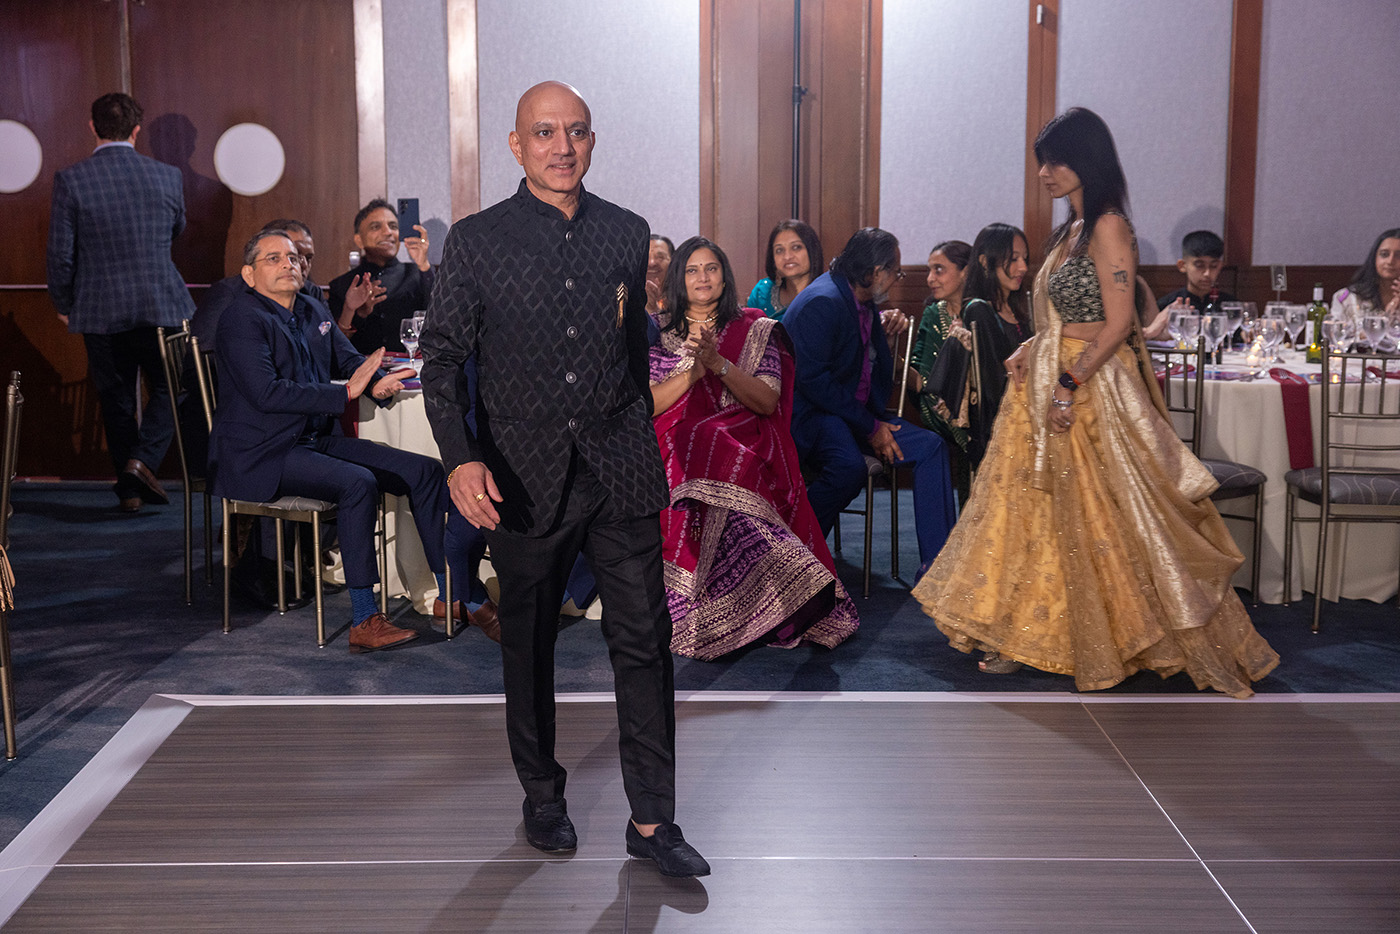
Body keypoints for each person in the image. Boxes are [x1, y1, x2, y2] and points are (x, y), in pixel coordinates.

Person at [419, 80, 709, 878]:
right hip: (521, 476)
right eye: (544, 133)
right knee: (530, 646)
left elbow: (627, 353)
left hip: (620, 470)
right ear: (517, 145)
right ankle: (542, 794)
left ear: (592, 140)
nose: (562, 147)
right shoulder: (476, 241)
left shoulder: (628, 232)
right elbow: (440, 362)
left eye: (576, 131)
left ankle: (652, 821)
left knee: (644, 642)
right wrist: (462, 456)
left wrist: (640, 429)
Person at [912, 107, 1279, 697]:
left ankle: (1126, 637)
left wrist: (1068, 384)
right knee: (1035, 514)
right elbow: (1065, 317)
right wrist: (1032, 347)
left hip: (1090, 387)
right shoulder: (1072, 231)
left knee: (1107, 519)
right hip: (1050, 380)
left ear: (1086, 160)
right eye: (1041, 164)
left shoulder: (1108, 227)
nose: (1044, 174)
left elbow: (1117, 323)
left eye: (1053, 162)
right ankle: (1024, 634)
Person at [209, 230, 448, 654]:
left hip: (312, 438)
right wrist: (346, 394)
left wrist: (374, 381)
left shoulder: (310, 307)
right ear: (248, 274)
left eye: (293, 258)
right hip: (261, 452)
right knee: (358, 483)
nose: (288, 264)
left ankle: (451, 596)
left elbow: (348, 359)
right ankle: (364, 619)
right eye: (273, 259)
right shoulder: (241, 319)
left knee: (424, 470)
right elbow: (266, 393)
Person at [648, 236, 858, 659]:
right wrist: (693, 373)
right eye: (692, 270)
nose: (702, 277)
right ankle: (712, 608)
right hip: (672, 442)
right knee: (691, 442)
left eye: (711, 268)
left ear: (725, 278)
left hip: (742, 437)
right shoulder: (658, 332)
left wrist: (718, 364)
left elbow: (766, 401)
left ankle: (782, 599)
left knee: (714, 446)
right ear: (678, 278)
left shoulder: (756, 328)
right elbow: (648, 403)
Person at [46, 92, 195, 513]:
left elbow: (60, 253)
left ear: (92, 127)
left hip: (99, 306)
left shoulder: (72, 179)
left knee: (116, 400)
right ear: (136, 130)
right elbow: (177, 227)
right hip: (162, 301)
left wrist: (64, 303)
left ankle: (130, 490)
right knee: (174, 385)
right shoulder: (168, 176)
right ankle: (141, 464)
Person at [783, 227, 958, 578]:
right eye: (896, 272)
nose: (897, 279)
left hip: (854, 415)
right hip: (814, 416)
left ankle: (938, 570)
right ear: (876, 272)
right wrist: (871, 428)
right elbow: (813, 383)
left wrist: (873, 422)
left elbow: (865, 369)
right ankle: (794, 555)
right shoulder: (823, 301)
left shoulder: (861, 299)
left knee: (931, 447)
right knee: (849, 468)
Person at [958, 223, 1033, 459]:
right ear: (984, 261)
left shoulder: (1018, 309)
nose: (1023, 267)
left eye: (1025, 259)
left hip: (1027, 411)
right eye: (1013, 259)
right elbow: (992, 386)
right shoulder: (979, 310)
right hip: (1003, 427)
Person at [905, 240, 973, 500]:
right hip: (941, 405)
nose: (930, 278)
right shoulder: (934, 314)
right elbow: (922, 378)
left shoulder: (981, 310)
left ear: (965, 271)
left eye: (939, 270)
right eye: (929, 270)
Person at [191, 219, 321, 352]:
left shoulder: (312, 294)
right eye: (275, 258)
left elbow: (329, 345)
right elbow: (205, 350)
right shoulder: (229, 292)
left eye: (307, 258)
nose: (302, 264)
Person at [327, 199, 433, 354]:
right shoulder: (341, 285)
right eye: (376, 227)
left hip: (412, 365)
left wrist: (424, 265)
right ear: (359, 240)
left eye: (393, 226)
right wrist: (358, 314)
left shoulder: (419, 274)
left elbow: (440, 316)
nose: (388, 232)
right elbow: (335, 347)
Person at [747, 220, 823, 320]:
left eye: (796, 247)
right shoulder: (762, 293)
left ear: (812, 250)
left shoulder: (826, 295)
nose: (787, 256)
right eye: (779, 250)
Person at [1330, 228, 1400, 328]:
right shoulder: (1347, 297)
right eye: (1384, 254)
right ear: (1374, 258)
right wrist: (1387, 316)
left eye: (1399, 256)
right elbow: (1336, 333)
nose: (1390, 261)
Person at [1155, 230, 1236, 313]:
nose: (1207, 273)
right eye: (1199, 265)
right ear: (1182, 265)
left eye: (1213, 266)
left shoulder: (1231, 306)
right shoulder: (1167, 306)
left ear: (1220, 266)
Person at [645, 234, 674, 314]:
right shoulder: (625, 300)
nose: (652, 263)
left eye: (660, 257)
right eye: (645, 257)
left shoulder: (683, 300)